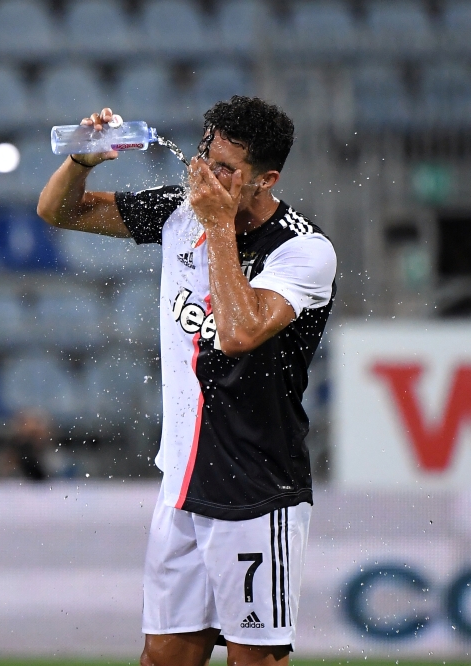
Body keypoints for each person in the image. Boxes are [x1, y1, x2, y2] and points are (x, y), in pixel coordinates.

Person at [37, 97, 337, 666]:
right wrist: (82, 162)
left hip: (256, 487)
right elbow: (60, 213)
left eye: (224, 168)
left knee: (254, 661)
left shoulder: (304, 251)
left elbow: (239, 331)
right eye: (204, 153)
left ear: (265, 180)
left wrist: (218, 224)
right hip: (181, 481)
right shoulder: (179, 211)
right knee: (163, 658)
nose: (202, 172)